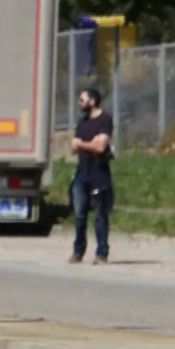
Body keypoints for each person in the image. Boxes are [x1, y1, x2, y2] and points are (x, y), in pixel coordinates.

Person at [69, 87, 114, 265]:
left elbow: (100, 147)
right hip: (82, 172)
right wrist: (85, 144)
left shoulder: (105, 120)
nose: (80, 103)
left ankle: (101, 252)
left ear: (93, 101)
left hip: (98, 173)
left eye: (82, 100)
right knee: (80, 213)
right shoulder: (82, 122)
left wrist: (82, 144)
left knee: (100, 214)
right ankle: (78, 250)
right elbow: (73, 148)